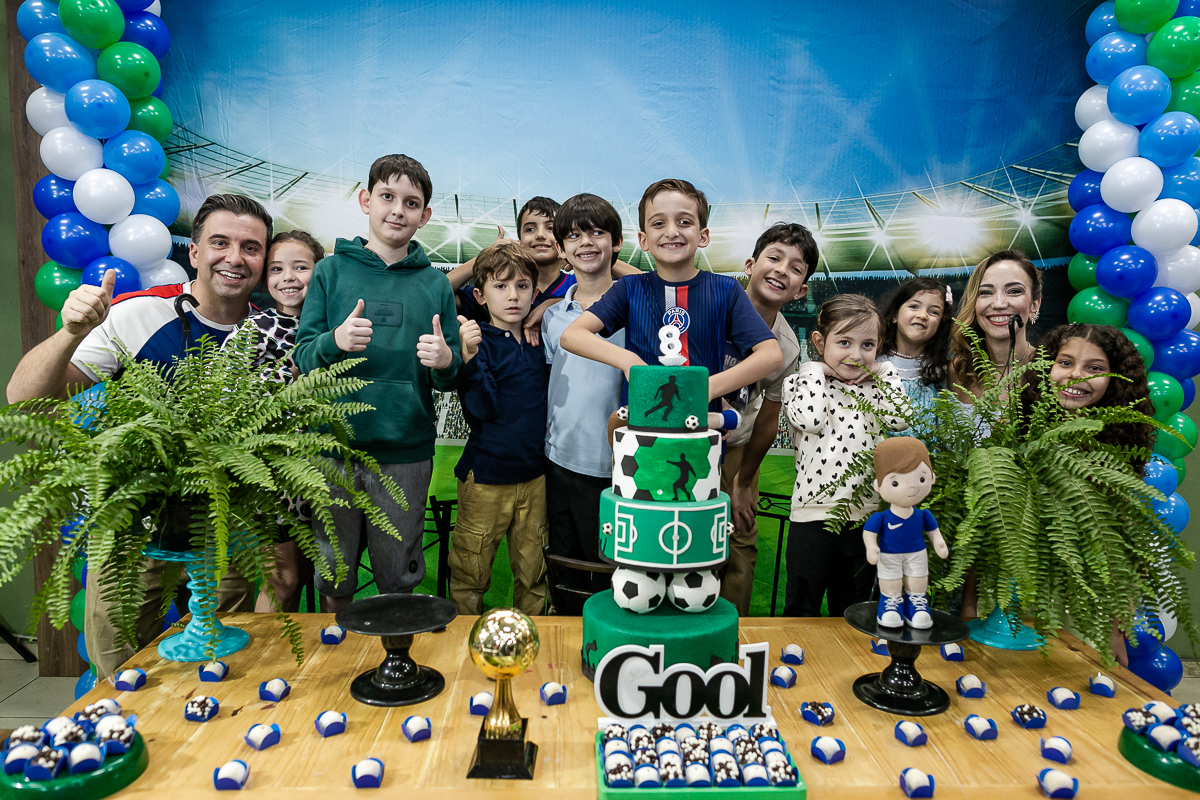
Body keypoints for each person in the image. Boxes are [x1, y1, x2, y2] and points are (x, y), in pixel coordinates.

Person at [6, 192, 272, 679]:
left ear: (263, 260)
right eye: (220, 242)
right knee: (120, 665)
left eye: (250, 248)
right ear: (193, 253)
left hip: (223, 529)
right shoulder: (137, 314)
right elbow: (23, 400)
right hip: (131, 526)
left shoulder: (272, 336)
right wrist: (68, 332)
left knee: (226, 663)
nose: (235, 258)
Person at [292, 154, 462, 612]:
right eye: (387, 196)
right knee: (335, 572)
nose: (397, 210)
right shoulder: (329, 271)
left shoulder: (436, 285)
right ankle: (334, 660)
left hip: (406, 452)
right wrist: (335, 340)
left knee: (397, 573)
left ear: (424, 216)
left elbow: (452, 378)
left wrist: (446, 360)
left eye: (411, 203)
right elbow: (304, 357)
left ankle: (394, 666)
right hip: (333, 450)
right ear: (366, 200)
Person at [560, 178, 784, 415]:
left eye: (684, 222)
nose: (671, 231)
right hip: (638, 432)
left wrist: (708, 388)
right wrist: (628, 361)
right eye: (658, 223)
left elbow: (771, 355)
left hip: (701, 433)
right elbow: (572, 336)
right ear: (643, 240)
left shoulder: (726, 290)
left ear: (703, 236)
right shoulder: (629, 288)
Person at [780, 294, 909, 618]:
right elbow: (810, 419)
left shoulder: (877, 386)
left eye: (867, 345)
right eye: (844, 342)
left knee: (854, 613)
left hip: (863, 519)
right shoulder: (800, 382)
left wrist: (885, 369)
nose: (855, 354)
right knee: (801, 608)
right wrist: (814, 368)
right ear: (820, 342)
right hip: (811, 518)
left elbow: (900, 418)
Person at [449, 242, 549, 617]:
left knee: (535, 574)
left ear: (534, 292)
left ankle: (532, 647)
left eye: (522, 286)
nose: (513, 296)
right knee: (469, 573)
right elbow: (482, 409)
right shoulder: (478, 342)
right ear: (480, 294)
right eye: (501, 286)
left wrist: (547, 308)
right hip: (486, 478)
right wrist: (470, 360)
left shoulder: (543, 340)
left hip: (536, 477)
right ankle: (460, 650)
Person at [723, 223, 814, 616]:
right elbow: (645, 280)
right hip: (687, 443)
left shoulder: (788, 345)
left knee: (741, 538)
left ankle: (736, 632)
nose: (781, 270)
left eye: (796, 268)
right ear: (749, 265)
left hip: (735, 447)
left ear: (801, 290)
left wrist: (745, 480)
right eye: (774, 258)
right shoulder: (712, 301)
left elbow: (768, 420)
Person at [542, 194, 626, 613]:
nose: (586, 243)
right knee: (567, 574)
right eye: (573, 235)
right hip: (559, 463)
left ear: (617, 242)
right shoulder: (552, 316)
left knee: (613, 576)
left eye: (597, 232)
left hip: (615, 471)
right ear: (561, 249)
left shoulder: (637, 307)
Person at [232, 229, 323, 613]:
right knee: (281, 581)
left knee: (311, 578)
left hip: (328, 473)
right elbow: (228, 400)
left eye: (300, 267)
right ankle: (267, 667)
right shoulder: (254, 330)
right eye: (277, 269)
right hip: (276, 480)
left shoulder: (336, 329)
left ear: (321, 274)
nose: (288, 277)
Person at [863, 437, 949, 629]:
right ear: (878, 485)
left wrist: (940, 544)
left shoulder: (923, 515)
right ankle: (890, 605)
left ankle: (917, 604)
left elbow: (934, 532)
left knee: (918, 578)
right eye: (895, 483)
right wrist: (871, 547)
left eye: (921, 479)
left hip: (917, 554)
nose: (912, 488)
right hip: (889, 555)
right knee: (890, 580)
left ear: (931, 477)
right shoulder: (881, 518)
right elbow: (869, 533)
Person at [949, 249, 1043, 399]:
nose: (999, 304)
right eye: (986, 292)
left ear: (1034, 306)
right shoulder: (958, 370)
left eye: (1013, 291)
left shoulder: (1050, 370)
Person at [878, 277, 954, 409]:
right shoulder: (873, 364)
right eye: (914, 306)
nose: (923, 315)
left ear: (941, 324)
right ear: (895, 315)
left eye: (934, 312)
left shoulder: (944, 372)